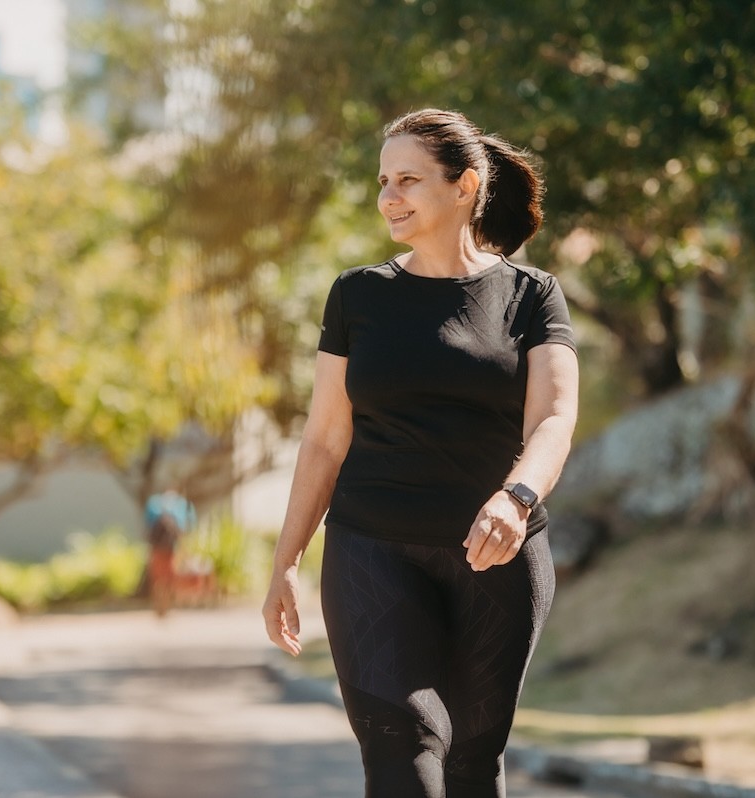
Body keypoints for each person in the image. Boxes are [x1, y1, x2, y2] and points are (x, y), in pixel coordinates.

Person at [262, 108, 579, 798]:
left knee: (472, 762)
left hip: (495, 557)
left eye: (407, 180)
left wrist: (517, 498)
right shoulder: (357, 296)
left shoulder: (531, 296)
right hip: (371, 547)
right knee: (398, 748)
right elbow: (325, 439)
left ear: (465, 186)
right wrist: (286, 561)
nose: (389, 197)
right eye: (383, 182)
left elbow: (554, 419)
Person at [144, 488, 196, 617]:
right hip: (171, 548)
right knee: (168, 578)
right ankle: (166, 604)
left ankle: (159, 604)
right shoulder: (180, 506)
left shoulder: (154, 505)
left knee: (158, 578)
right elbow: (186, 527)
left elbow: (148, 525)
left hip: (157, 548)